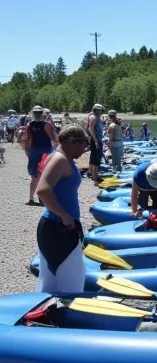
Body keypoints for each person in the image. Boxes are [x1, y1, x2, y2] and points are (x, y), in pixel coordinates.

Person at [35, 124, 89, 293]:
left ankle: (47, 314)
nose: (84, 151)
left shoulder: (59, 157)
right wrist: (64, 215)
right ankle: (68, 315)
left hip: (53, 227)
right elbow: (43, 190)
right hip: (59, 228)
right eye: (84, 145)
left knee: (50, 279)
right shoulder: (60, 159)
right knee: (72, 281)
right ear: (72, 142)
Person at [25, 105, 59, 206]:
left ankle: (31, 198)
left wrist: (28, 152)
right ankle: (41, 198)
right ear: (42, 113)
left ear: (33, 113)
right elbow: (54, 139)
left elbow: (28, 139)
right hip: (45, 152)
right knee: (43, 175)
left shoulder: (29, 125)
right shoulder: (47, 125)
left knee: (34, 176)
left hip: (34, 151)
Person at [86, 104, 104, 185]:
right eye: (100, 110)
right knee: (96, 159)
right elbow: (91, 129)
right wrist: (96, 141)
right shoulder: (93, 117)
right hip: (96, 140)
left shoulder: (94, 117)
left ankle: (91, 173)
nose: (101, 111)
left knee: (93, 158)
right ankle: (95, 177)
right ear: (96, 110)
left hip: (95, 140)